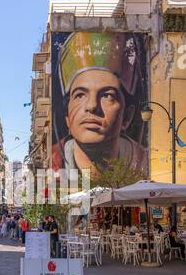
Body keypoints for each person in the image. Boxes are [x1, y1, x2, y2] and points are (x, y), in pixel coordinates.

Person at [52, 32, 148, 176]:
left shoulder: (144, 163)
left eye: (107, 95)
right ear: (67, 116)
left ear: (127, 116)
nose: (91, 106)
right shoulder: (55, 164)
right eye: (80, 95)